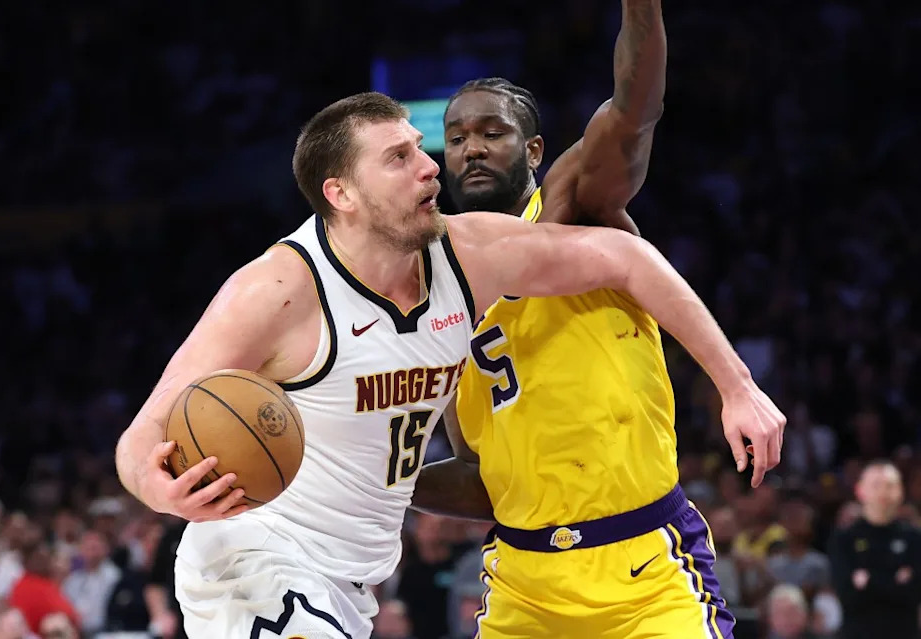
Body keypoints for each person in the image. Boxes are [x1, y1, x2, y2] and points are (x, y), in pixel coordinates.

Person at [114, 91, 783, 639]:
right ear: (341, 194)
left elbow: (625, 258)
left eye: (420, 149)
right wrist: (159, 489)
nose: (431, 166)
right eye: (400, 157)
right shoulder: (275, 292)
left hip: (351, 581)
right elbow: (141, 438)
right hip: (254, 556)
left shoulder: (467, 256)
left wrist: (736, 385)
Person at [409, 1, 784, 637]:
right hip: (523, 586)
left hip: (643, 568)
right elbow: (482, 477)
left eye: (491, 133)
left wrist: (641, 10)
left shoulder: (570, 210)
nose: (471, 148)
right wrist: (377, 475)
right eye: (457, 137)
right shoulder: (434, 297)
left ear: (532, 150)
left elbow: (633, 114)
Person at [828, 460, 921, 639]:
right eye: (876, 485)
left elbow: (914, 594)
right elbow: (847, 596)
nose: (883, 492)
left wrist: (868, 581)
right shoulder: (844, 539)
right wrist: (895, 581)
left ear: (901, 491)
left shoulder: (914, 538)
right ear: (860, 490)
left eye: (890, 485)